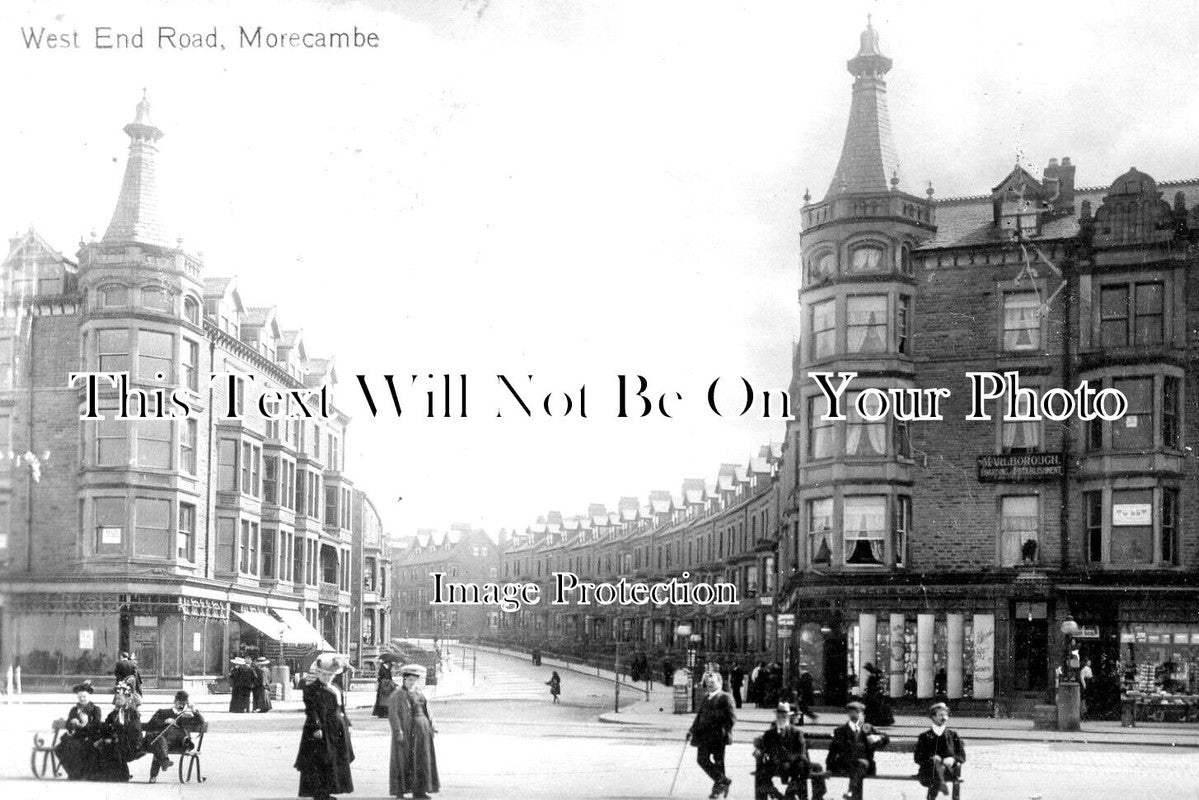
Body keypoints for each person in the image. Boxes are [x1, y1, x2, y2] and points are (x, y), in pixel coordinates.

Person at [296, 653, 355, 800]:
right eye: (324, 674)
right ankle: (319, 793)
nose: (327, 677)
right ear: (318, 673)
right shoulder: (311, 689)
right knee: (321, 760)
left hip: (337, 729)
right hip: (321, 729)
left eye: (330, 675)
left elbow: (341, 709)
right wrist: (316, 727)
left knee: (335, 760)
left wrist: (348, 724)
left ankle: (328, 790)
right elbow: (311, 710)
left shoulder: (336, 689)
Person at [753, 701, 827, 800]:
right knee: (763, 773)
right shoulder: (770, 733)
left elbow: (801, 752)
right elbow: (764, 747)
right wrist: (759, 751)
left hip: (793, 765)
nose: (781, 719)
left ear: (788, 718)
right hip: (776, 765)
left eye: (784, 717)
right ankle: (781, 795)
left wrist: (789, 759)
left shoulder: (796, 733)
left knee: (809, 767)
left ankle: (814, 797)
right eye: (779, 716)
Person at [389, 663, 439, 799]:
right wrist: (398, 731)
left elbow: (427, 711)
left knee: (421, 761)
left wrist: (432, 726)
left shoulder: (419, 694)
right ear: (404, 680)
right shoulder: (397, 695)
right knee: (403, 760)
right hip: (406, 731)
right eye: (409, 679)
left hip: (421, 732)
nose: (412, 682)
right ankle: (400, 791)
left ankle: (420, 791)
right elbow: (393, 715)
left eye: (414, 680)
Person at [686, 672, 736, 799]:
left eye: (712, 683)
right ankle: (723, 780)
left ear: (719, 683)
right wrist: (691, 730)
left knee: (719, 763)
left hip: (718, 736)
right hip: (703, 736)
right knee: (701, 759)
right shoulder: (706, 697)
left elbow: (731, 719)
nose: (709, 685)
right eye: (707, 683)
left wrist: (724, 731)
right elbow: (699, 716)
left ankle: (717, 789)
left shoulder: (725, 697)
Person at [826, 700, 889, 800]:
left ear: (862, 714)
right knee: (857, 766)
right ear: (848, 714)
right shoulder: (840, 731)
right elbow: (832, 751)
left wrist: (877, 739)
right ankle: (852, 792)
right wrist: (829, 767)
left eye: (857, 712)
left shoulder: (866, 728)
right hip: (845, 764)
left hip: (863, 765)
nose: (854, 715)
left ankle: (851, 792)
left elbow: (885, 738)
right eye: (851, 712)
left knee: (859, 765)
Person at [143, 690, 205, 783]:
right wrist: (165, 721)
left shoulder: (186, 716)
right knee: (160, 741)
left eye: (183, 703)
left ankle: (157, 771)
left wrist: (193, 709)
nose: (181, 705)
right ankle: (164, 762)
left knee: (159, 744)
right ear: (174, 701)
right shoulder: (163, 712)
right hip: (163, 742)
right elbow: (150, 725)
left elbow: (201, 722)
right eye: (179, 702)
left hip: (179, 744)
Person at [90, 683, 143, 782]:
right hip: (117, 741)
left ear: (127, 699)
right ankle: (104, 773)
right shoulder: (114, 713)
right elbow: (106, 726)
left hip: (131, 744)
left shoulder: (132, 713)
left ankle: (122, 775)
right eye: (116, 698)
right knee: (102, 744)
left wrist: (114, 736)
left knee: (114, 745)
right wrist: (106, 736)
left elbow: (134, 730)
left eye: (119, 698)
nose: (116, 700)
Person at [914, 703, 965, 800]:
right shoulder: (924, 736)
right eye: (940, 715)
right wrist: (932, 759)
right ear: (933, 717)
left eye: (945, 715)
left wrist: (952, 759)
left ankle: (931, 797)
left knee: (937, 775)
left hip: (949, 771)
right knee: (936, 767)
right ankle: (940, 784)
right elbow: (918, 758)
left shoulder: (953, 735)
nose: (944, 717)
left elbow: (962, 755)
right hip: (928, 771)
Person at [55, 680, 104, 780]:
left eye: (84, 697)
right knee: (59, 748)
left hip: (89, 736)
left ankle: (80, 773)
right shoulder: (74, 709)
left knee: (77, 747)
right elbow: (68, 724)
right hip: (76, 736)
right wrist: (72, 723)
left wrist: (84, 725)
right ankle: (72, 772)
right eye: (80, 697)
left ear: (89, 697)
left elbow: (97, 725)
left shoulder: (95, 709)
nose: (82, 699)